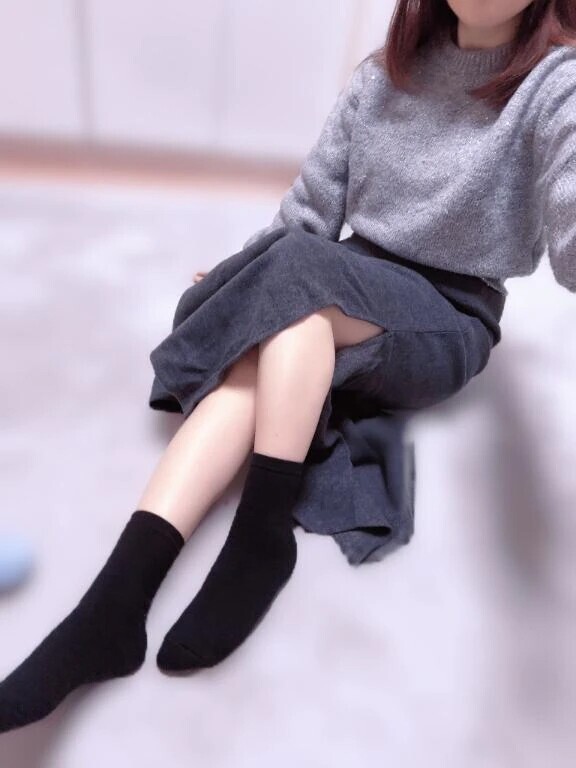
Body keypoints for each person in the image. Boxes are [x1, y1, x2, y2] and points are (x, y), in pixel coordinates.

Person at [1, 0, 575, 734]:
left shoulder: (556, 84)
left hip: (447, 314)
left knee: (296, 283)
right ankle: (112, 606)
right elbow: (308, 211)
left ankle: (257, 538)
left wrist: (257, 280)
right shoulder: (385, 76)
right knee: (277, 324)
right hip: (340, 284)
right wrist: (250, 279)